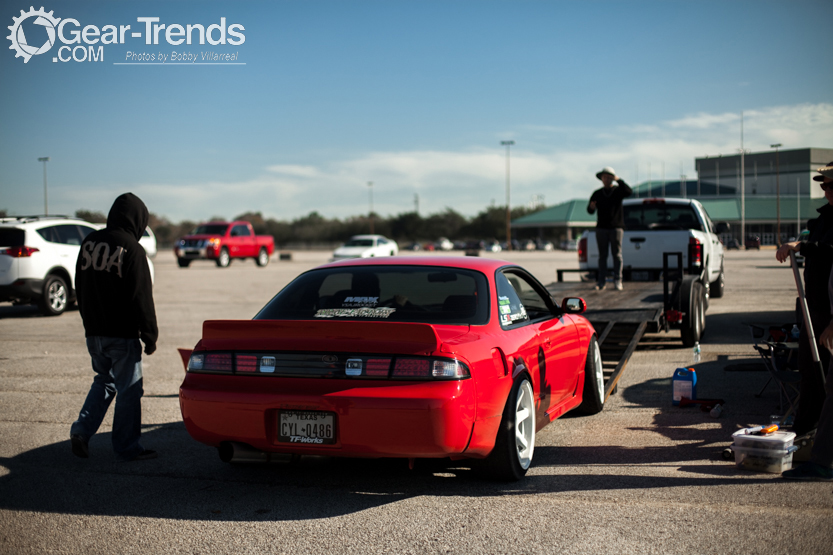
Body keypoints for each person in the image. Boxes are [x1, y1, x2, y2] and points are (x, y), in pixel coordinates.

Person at [70, 193, 158, 461]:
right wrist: (150, 334)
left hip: (94, 333)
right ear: (138, 220)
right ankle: (127, 446)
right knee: (129, 390)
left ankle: (81, 431)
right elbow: (141, 296)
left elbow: (80, 286)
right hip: (121, 335)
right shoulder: (132, 248)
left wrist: (89, 324)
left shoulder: (89, 242)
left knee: (105, 381)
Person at [776, 162, 833, 438]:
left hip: (830, 309)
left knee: (827, 376)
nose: (826, 191)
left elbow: (830, 250)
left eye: (830, 185)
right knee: (809, 370)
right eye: (823, 186)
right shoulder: (824, 217)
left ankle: (822, 439)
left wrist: (801, 246)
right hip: (815, 306)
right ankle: (804, 430)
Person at [587, 167, 632, 290]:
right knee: (602, 256)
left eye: (609, 176)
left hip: (616, 227)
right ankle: (601, 282)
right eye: (604, 177)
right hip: (601, 228)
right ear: (601, 178)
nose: (606, 179)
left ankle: (618, 280)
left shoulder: (618, 191)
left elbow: (629, 191)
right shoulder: (597, 193)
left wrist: (618, 180)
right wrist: (591, 207)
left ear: (612, 178)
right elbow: (590, 211)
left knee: (617, 255)